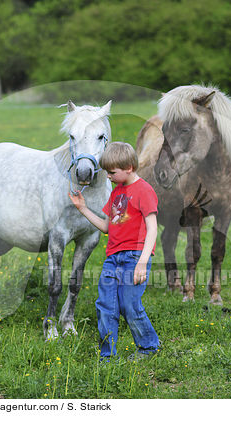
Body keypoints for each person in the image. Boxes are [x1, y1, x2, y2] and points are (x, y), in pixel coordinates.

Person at [69, 141, 159, 361]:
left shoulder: (144, 191)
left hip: (134, 257)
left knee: (129, 305)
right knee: (105, 305)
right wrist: (82, 208)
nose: (107, 176)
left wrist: (142, 262)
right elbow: (106, 227)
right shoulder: (116, 193)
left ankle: (148, 347)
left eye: (111, 172)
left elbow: (152, 228)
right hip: (113, 259)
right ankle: (107, 355)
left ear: (128, 168)